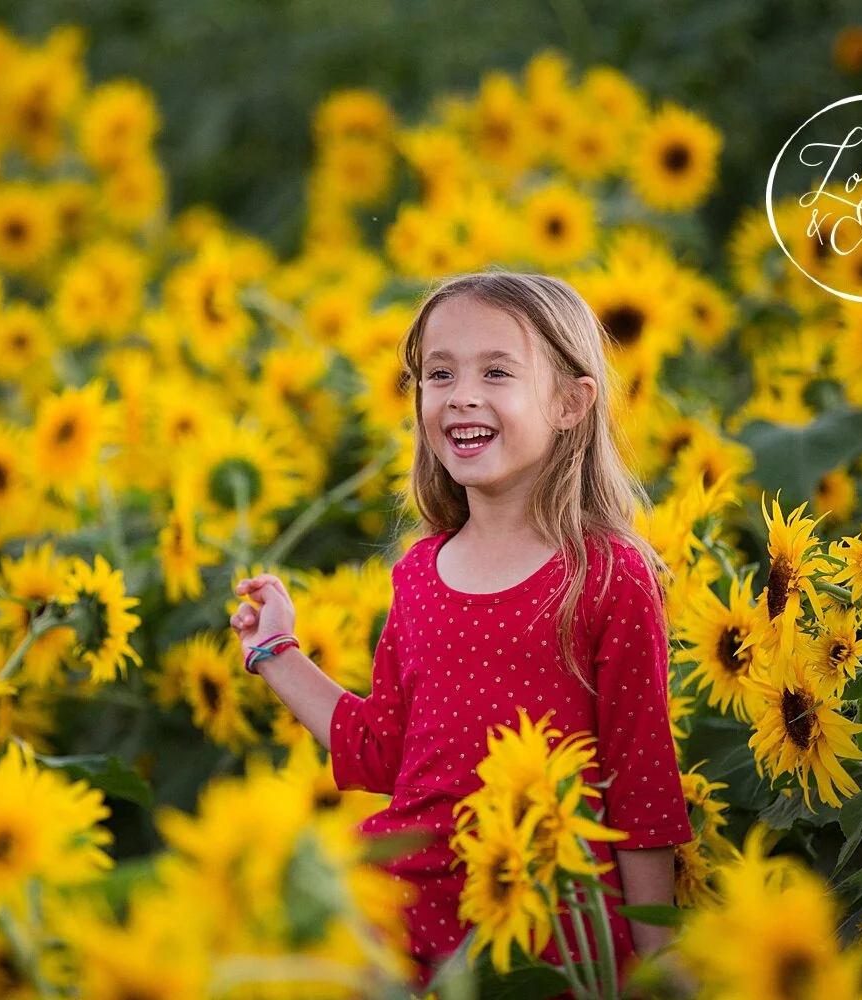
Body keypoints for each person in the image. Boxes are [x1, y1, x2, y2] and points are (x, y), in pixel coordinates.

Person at [229, 271, 693, 997]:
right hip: (400, 913)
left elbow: (640, 782)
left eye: (497, 372)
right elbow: (386, 752)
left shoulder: (606, 574)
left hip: (542, 921)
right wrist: (278, 654)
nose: (461, 395)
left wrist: (658, 952)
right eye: (438, 374)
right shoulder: (421, 572)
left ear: (571, 402)